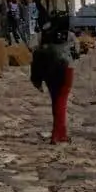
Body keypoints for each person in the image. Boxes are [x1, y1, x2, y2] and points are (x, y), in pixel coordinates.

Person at [30, 10, 80, 144]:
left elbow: (33, 48)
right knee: (61, 102)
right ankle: (57, 135)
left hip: (48, 71)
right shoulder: (70, 35)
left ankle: (61, 132)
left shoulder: (43, 35)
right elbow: (77, 52)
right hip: (66, 70)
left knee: (56, 102)